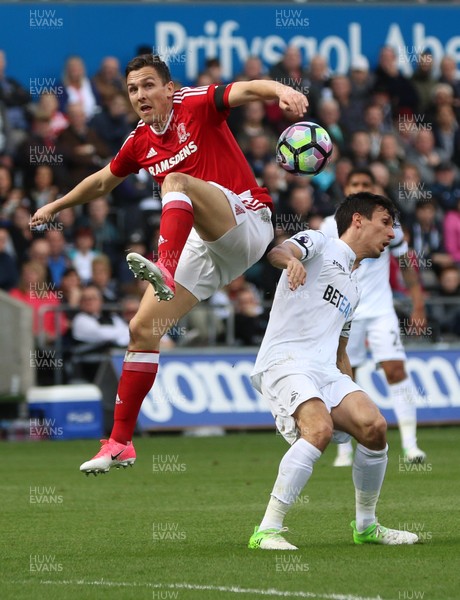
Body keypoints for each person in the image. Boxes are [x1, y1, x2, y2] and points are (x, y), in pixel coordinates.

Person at [30, 53, 308, 474]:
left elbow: (247, 89)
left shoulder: (195, 103)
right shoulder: (139, 140)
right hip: (206, 242)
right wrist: (58, 203)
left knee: (175, 183)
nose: (139, 94)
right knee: (142, 329)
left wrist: (282, 90)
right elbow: (104, 180)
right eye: (132, 89)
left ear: (169, 88)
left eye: (147, 85)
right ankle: (120, 442)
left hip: (249, 222)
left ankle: (164, 264)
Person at [248, 192, 419, 550]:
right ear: (358, 220)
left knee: (373, 427)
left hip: (325, 369)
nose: (391, 234)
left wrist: (349, 391)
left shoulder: (354, 288)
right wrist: (291, 262)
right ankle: (267, 529)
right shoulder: (321, 242)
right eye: (385, 223)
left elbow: (341, 349)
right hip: (285, 362)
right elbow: (279, 251)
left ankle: (366, 526)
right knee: (319, 429)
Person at [320, 168, 427, 467]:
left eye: (365, 184)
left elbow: (406, 263)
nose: (359, 187)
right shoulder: (331, 225)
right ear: (346, 187)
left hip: (381, 310)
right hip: (344, 311)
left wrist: (418, 305)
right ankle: (344, 450)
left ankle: (410, 446)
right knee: (342, 376)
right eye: (354, 183)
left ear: (373, 188)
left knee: (395, 370)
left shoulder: (388, 224)